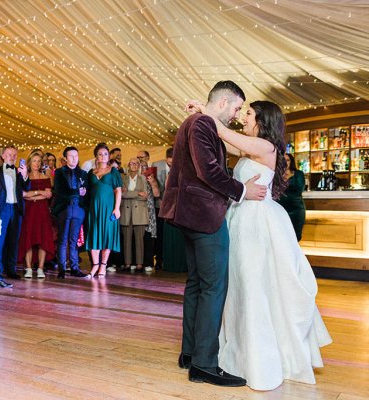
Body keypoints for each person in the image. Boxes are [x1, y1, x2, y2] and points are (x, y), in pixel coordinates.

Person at [189, 99, 332, 390]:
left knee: (253, 287)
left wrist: (206, 112)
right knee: (238, 287)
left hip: (257, 226)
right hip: (240, 221)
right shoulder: (249, 147)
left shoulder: (266, 147)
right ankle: (237, 354)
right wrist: (201, 120)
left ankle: (259, 360)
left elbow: (225, 134)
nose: (243, 117)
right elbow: (222, 140)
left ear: (263, 120)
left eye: (249, 113)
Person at [159, 81, 267, 387]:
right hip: (204, 216)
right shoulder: (204, 123)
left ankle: (190, 354)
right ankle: (205, 364)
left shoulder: (197, 121)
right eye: (235, 108)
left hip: (189, 215)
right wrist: (243, 189)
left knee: (196, 285)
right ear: (222, 103)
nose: (236, 115)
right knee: (213, 288)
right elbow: (208, 170)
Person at [0, 146, 30, 279]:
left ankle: (11, 270)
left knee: (14, 240)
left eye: (14, 155)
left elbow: (26, 187)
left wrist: (25, 176)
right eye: (9, 154)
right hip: (2, 207)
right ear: (3, 156)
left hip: (16, 209)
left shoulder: (20, 172)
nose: (12, 157)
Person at [85, 143, 122, 278]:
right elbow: (87, 191)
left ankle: (103, 265)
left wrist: (117, 208)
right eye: (100, 154)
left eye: (105, 154)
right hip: (94, 209)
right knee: (93, 235)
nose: (103, 156)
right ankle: (95, 264)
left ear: (108, 156)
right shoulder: (90, 173)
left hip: (108, 209)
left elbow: (118, 191)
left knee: (107, 236)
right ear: (96, 156)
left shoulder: (113, 172)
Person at [53, 146, 89, 278]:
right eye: (71, 156)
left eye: (76, 156)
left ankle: (75, 267)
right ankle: (62, 268)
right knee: (63, 239)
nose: (74, 158)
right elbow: (59, 191)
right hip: (64, 208)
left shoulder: (84, 174)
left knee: (74, 240)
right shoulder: (59, 172)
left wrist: (83, 198)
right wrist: (76, 192)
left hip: (78, 208)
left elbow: (87, 192)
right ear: (65, 158)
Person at [18, 151, 55, 279]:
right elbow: (23, 194)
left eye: (39, 161)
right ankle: (28, 267)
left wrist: (32, 194)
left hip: (43, 212)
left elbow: (49, 194)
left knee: (42, 239)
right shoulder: (24, 176)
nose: (37, 163)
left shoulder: (45, 177)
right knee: (28, 238)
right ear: (29, 162)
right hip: (29, 211)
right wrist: (40, 193)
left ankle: (40, 268)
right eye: (34, 161)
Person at [120, 158, 149, 272]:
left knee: (139, 240)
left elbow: (145, 196)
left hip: (140, 213)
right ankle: (127, 264)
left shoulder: (143, 179)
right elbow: (122, 194)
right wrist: (137, 193)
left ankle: (139, 264)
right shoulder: (123, 178)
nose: (135, 165)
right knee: (127, 239)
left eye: (137, 164)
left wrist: (128, 193)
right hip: (126, 212)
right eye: (132, 163)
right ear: (128, 165)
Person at [277, 153, 306, 241]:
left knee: (295, 237)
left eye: (288, 160)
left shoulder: (298, 174)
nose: (285, 162)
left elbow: (299, 188)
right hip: (280, 210)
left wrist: (284, 181)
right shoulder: (276, 175)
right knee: (281, 237)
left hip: (296, 210)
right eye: (283, 160)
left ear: (291, 162)